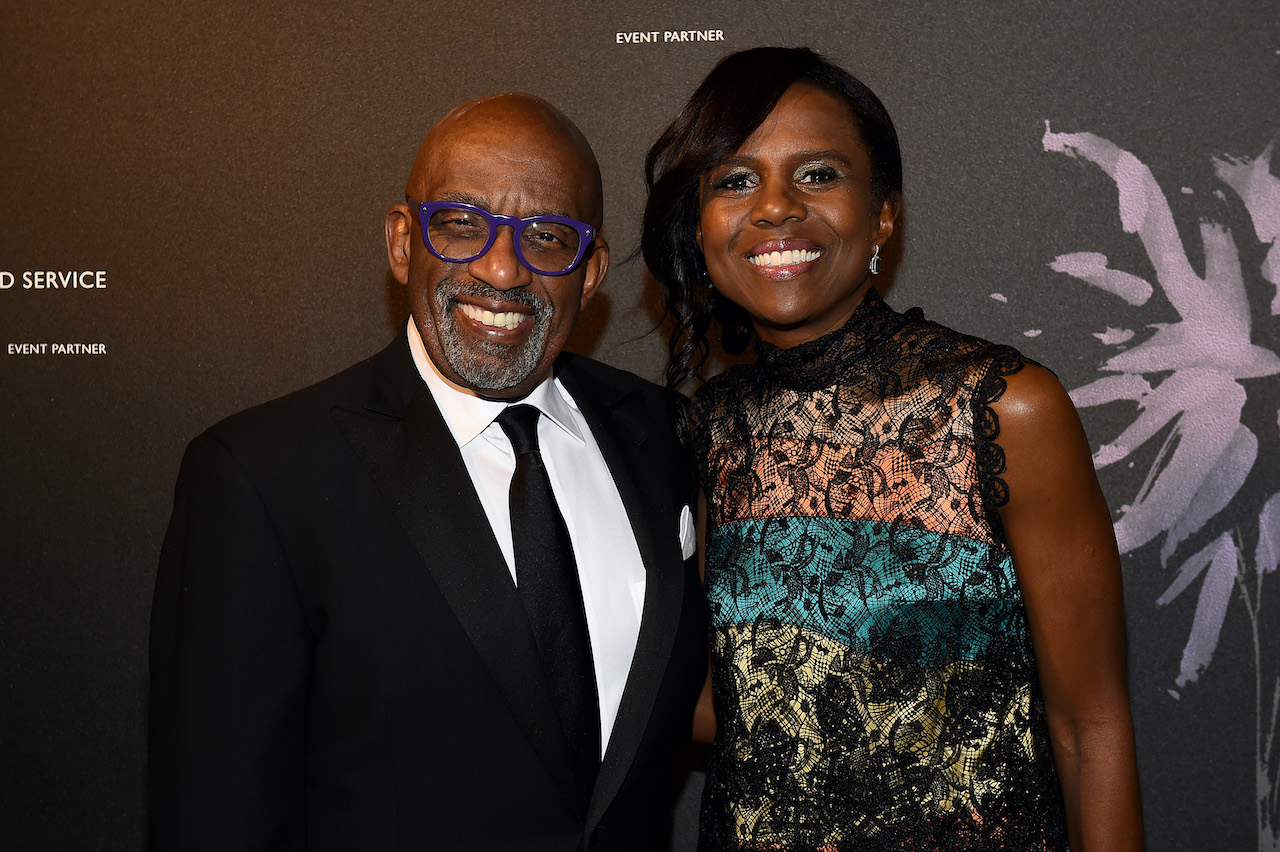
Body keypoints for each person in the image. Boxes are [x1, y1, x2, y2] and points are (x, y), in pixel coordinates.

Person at [149, 93, 706, 851]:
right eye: (462, 223)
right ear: (403, 241)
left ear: (592, 271)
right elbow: (217, 814)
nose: (502, 269)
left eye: (548, 237)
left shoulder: (663, 434)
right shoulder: (263, 476)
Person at [642, 47, 1143, 851]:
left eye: (817, 175)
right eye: (735, 180)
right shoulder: (710, 429)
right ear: (699, 230)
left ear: (882, 215)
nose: (775, 207)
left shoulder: (1002, 407)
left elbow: (1091, 727)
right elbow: (719, 704)